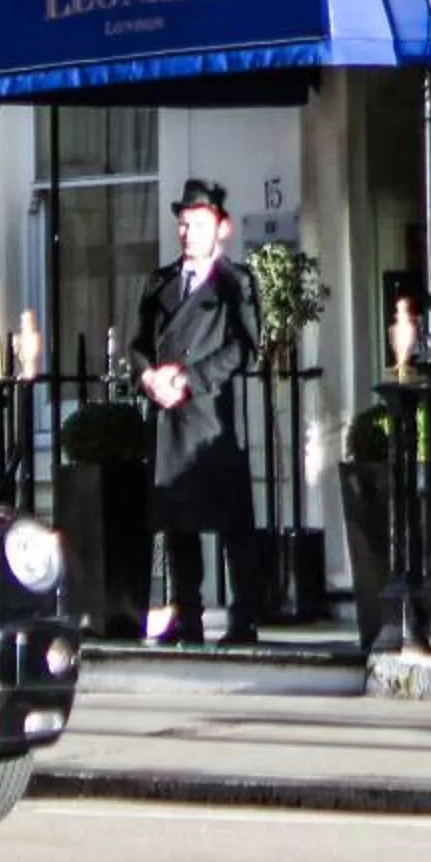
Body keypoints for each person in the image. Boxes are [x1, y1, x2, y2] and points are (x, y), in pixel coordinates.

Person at [130, 178, 267, 647]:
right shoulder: (160, 282)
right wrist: (148, 376)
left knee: (232, 522)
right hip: (169, 418)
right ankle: (186, 615)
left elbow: (245, 349)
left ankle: (243, 618)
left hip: (211, 417)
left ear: (220, 229)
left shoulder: (236, 284)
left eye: (197, 224)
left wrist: (187, 378)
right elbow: (137, 345)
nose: (186, 233)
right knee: (177, 522)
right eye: (182, 224)